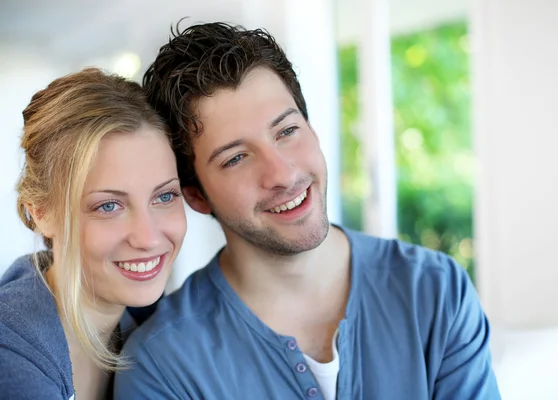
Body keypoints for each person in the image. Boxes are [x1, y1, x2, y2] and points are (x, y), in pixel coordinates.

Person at [114, 22, 500, 399]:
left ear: (312, 129)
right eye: (236, 158)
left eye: (286, 131)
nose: (283, 173)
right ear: (196, 195)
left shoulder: (434, 290)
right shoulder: (163, 365)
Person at [0, 68, 187, 399]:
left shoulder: (161, 328)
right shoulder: (10, 353)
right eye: (109, 206)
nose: (148, 237)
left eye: (164, 196)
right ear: (40, 213)